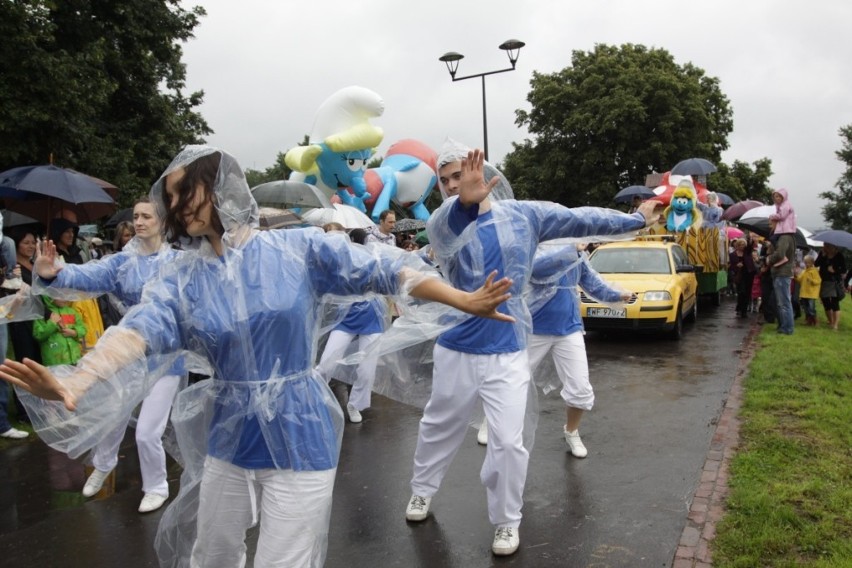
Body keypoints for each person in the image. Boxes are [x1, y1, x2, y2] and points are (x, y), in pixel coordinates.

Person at [1, 145, 514, 568]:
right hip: (231, 437)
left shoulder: (299, 251)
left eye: (187, 192)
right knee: (214, 554)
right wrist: (80, 379)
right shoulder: (181, 277)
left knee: (283, 560)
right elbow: (139, 329)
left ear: (221, 187)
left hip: (301, 435)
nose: (177, 206)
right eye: (171, 197)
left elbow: (388, 270)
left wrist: (462, 298)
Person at [405, 143, 660, 557]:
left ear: (484, 173)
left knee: (509, 441)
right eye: (445, 179)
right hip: (457, 348)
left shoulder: (524, 216)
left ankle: (507, 521)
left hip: (506, 350)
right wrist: (463, 204)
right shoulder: (441, 223)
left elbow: (580, 219)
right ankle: (422, 491)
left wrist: (634, 221)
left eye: (460, 175)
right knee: (439, 427)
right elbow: (448, 231)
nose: (453, 184)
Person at [33, 198, 186, 514]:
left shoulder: (180, 263)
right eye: (136, 216)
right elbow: (88, 276)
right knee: (112, 414)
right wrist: (54, 274)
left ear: (163, 222)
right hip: (128, 353)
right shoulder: (122, 262)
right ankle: (103, 465)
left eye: (147, 216)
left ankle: (156, 486)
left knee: (147, 432)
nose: (139, 221)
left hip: (167, 358)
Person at [478, 243, 635, 457]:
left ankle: (572, 431)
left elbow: (591, 282)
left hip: (569, 328)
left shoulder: (577, 254)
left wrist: (616, 295)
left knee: (580, 387)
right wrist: (570, 249)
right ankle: (491, 421)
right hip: (535, 328)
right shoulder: (539, 249)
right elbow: (534, 269)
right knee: (512, 379)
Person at [315, 227, 388, 423]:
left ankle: (355, 404)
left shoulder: (374, 259)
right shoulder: (340, 263)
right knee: (326, 363)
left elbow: (391, 272)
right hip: (346, 319)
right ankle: (314, 398)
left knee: (366, 371)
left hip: (371, 320)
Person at [32, 297, 86, 365]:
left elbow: (83, 328)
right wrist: (52, 323)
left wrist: (74, 332)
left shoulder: (71, 311)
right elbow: (38, 335)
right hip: (54, 362)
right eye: (60, 296)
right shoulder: (42, 314)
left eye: (65, 295)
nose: (65, 298)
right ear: (50, 295)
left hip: (74, 359)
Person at [815, 242, 847, 330]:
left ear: (833, 246)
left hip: (834, 281)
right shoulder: (822, 254)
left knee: (834, 302)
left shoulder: (839, 255)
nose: (824, 247)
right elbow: (816, 264)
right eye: (824, 245)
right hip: (824, 280)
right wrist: (822, 255)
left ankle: (835, 324)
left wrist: (835, 270)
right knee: (825, 301)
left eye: (827, 246)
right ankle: (831, 321)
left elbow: (844, 269)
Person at [729, 238, 756, 317]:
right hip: (739, 275)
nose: (742, 246)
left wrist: (751, 238)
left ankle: (744, 310)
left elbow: (750, 246)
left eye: (744, 245)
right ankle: (740, 308)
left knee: (747, 293)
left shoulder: (747, 252)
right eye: (740, 245)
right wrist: (736, 266)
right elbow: (731, 266)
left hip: (748, 274)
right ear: (737, 245)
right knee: (741, 292)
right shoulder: (732, 255)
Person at [796, 256, 821, 326]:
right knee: (806, 308)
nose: (806, 264)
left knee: (811, 308)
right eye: (805, 263)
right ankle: (808, 320)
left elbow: (818, 281)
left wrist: (812, 280)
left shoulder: (814, 271)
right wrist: (795, 276)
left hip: (811, 293)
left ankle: (816, 320)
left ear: (812, 263)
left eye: (808, 263)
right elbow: (799, 280)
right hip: (804, 293)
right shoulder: (804, 271)